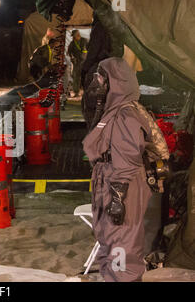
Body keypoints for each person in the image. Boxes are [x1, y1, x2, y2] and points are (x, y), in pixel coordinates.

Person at [82, 57, 164, 282]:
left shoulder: (125, 115)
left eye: (101, 78)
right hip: (111, 183)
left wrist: (118, 200)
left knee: (121, 248)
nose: (96, 83)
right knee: (111, 242)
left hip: (120, 188)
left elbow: (127, 162)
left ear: (114, 82)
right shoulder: (115, 110)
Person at [67, 30, 87, 96]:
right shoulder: (72, 43)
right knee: (76, 77)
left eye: (74, 36)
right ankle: (76, 92)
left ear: (78, 34)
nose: (73, 37)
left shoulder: (85, 40)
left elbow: (90, 49)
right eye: (73, 36)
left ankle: (86, 92)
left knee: (86, 77)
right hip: (77, 62)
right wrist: (72, 57)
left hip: (85, 62)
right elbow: (69, 52)